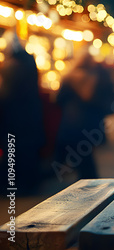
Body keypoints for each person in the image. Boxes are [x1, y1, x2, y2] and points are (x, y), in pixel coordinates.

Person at [54, 51, 114, 179]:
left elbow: (58, 99)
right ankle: (88, 181)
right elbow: (104, 99)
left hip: (71, 120)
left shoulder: (69, 76)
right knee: (85, 155)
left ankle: (71, 176)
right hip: (89, 122)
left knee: (73, 152)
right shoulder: (96, 77)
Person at [0, 30, 45, 194]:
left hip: (15, 118)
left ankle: (13, 186)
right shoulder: (28, 61)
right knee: (27, 152)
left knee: (14, 150)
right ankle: (29, 183)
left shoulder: (12, 66)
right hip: (30, 116)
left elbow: (5, 94)